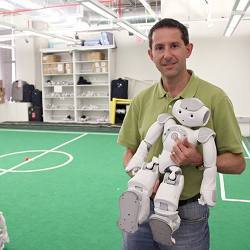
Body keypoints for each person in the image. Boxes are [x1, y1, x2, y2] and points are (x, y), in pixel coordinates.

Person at [117, 18, 245, 250]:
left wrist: (199, 160)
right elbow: (131, 152)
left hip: (188, 214)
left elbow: (237, 163)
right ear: (150, 54)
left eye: (174, 45)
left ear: (188, 49)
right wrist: (142, 178)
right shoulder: (141, 101)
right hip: (143, 206)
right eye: (159, 47)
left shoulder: (215, 98)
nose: (167, 54)